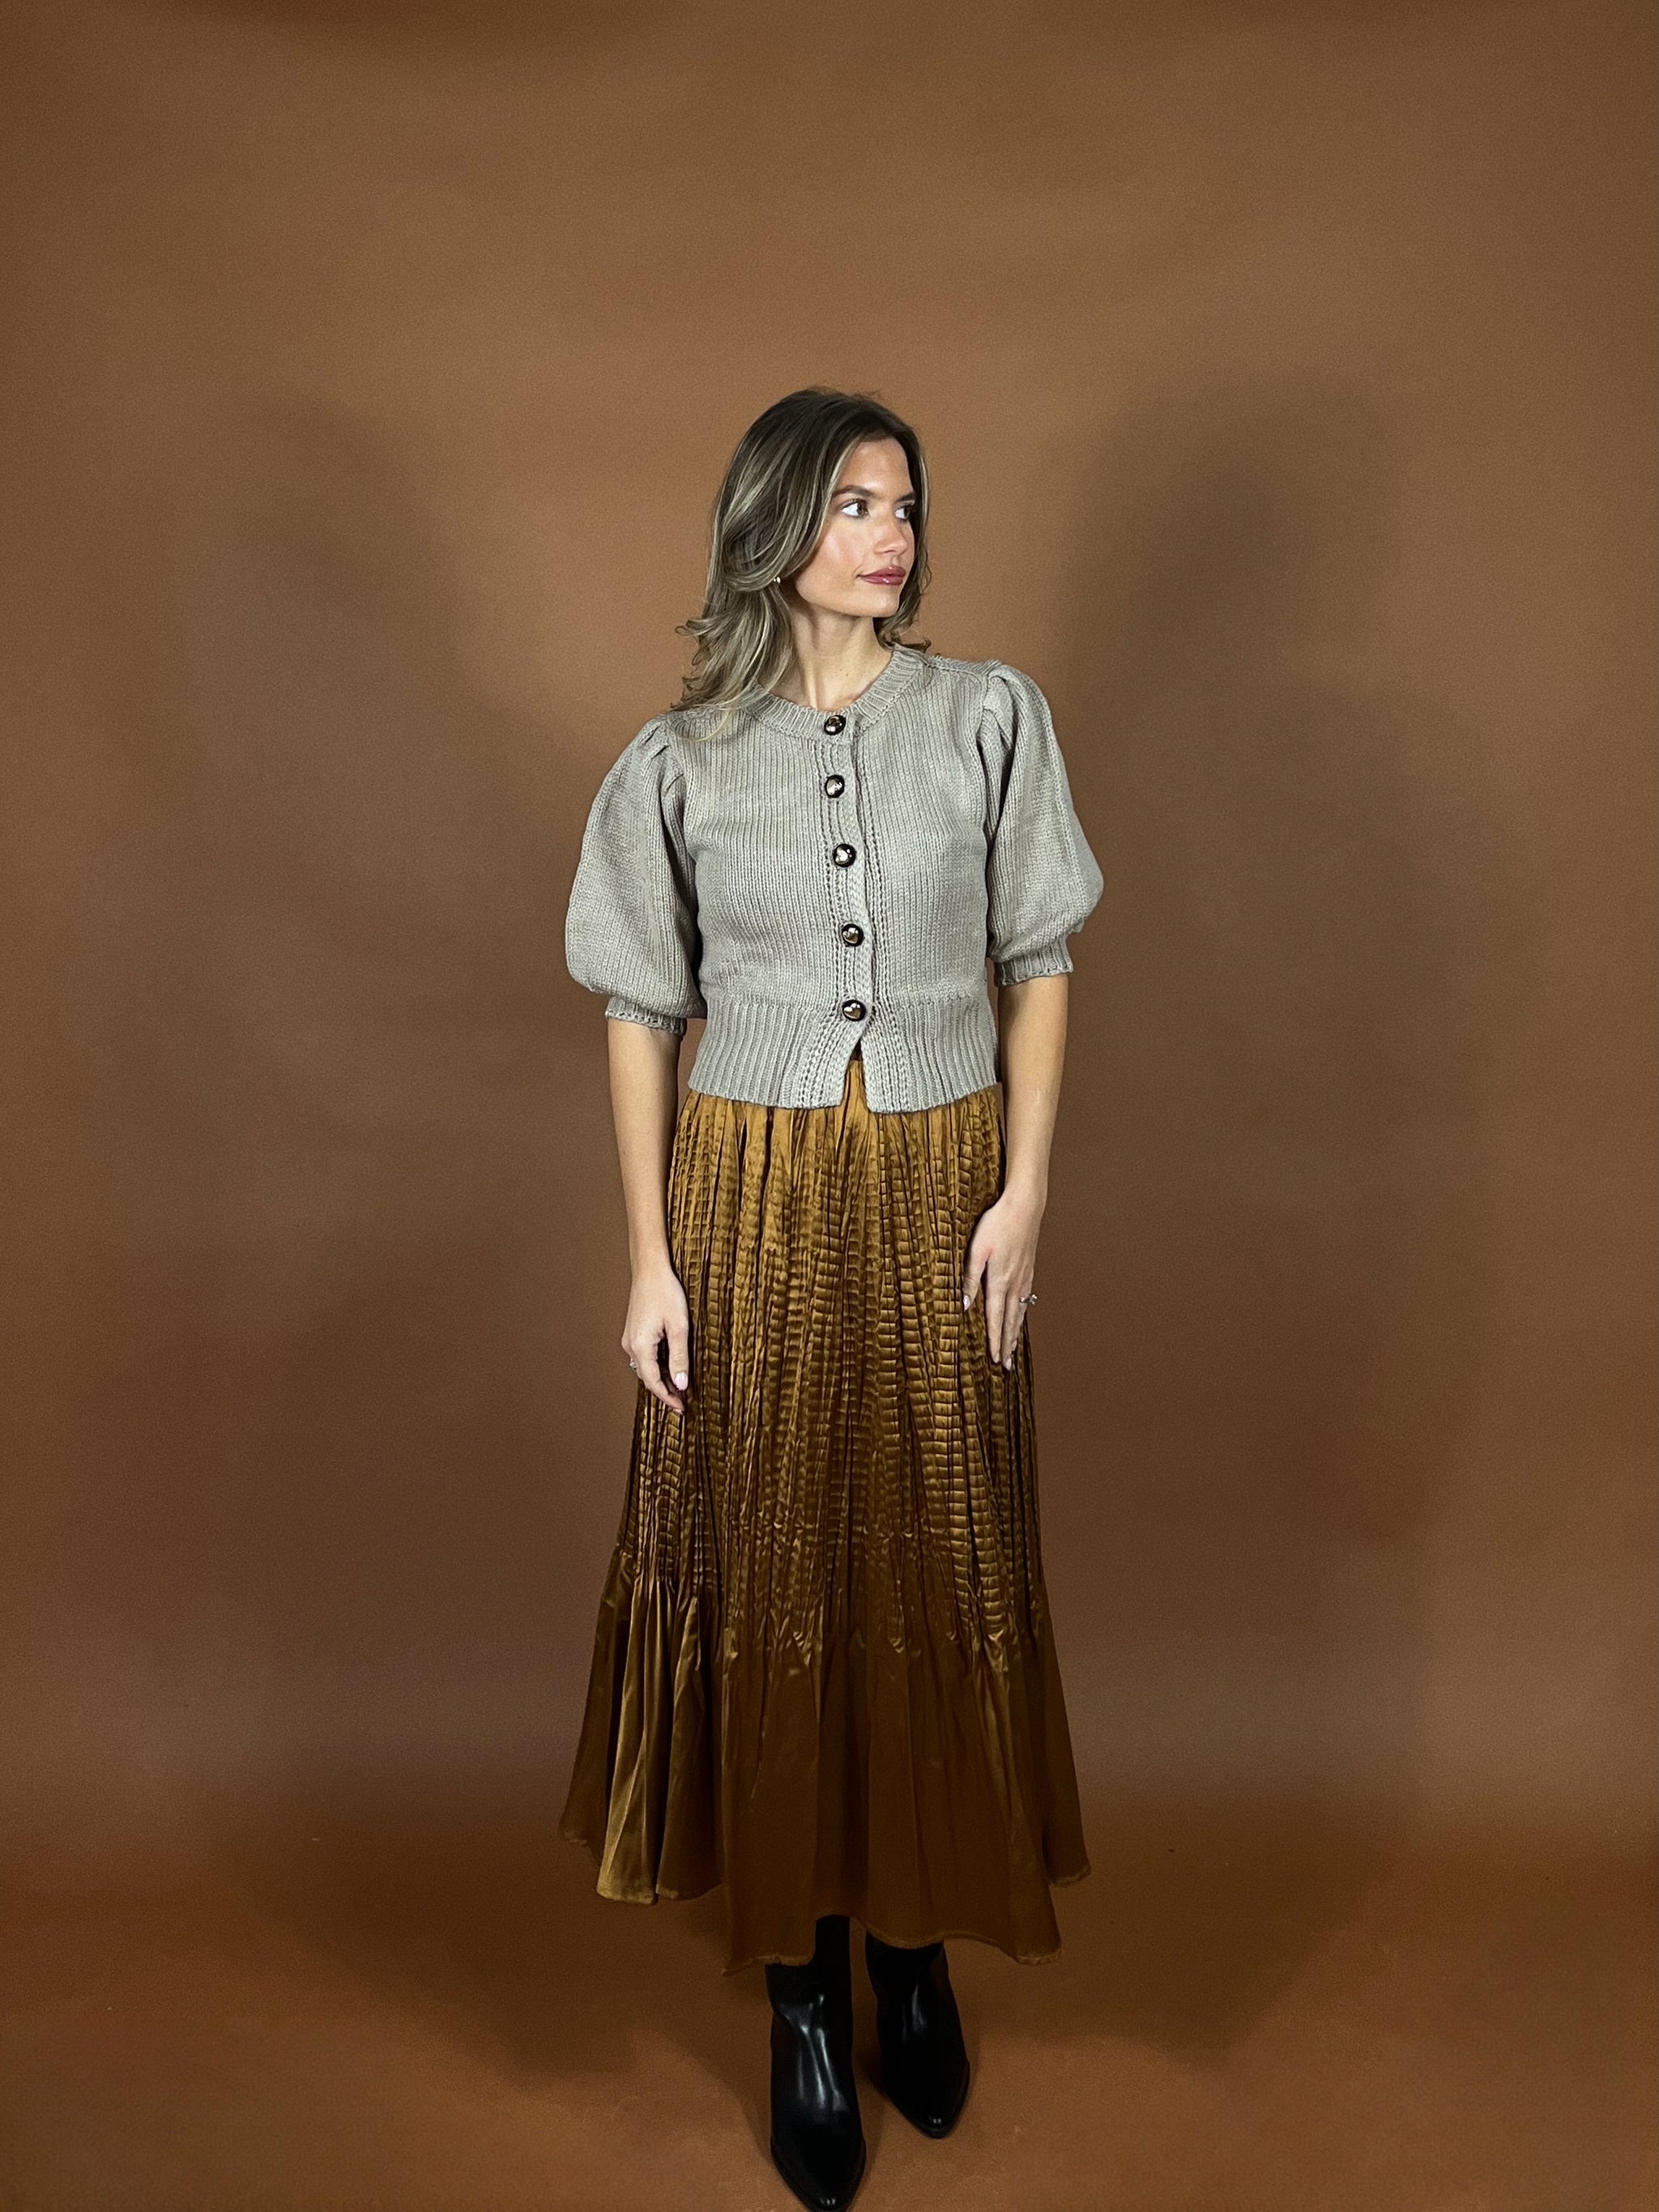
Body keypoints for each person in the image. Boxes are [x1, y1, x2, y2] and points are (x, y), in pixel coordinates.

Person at [561, 386, 1103, 2212]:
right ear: (775, 523)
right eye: (855, 502)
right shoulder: (678, 761)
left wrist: (1026, 1192)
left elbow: (1040, 958)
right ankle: (803, 1988)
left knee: (939, 1550)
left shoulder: (989, 719)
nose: (891, 533)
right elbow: (640, 1010)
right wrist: (650, 1257)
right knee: (777, 1557)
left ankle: (913, 1951)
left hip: (947, 1187)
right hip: (749, 1199)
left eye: (905, 504)